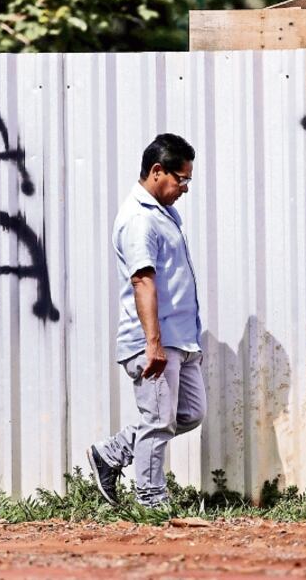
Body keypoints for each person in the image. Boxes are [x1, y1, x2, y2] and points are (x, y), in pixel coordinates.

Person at [86, 133, 206, 508]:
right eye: (181, 179)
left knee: (189, 412)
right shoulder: (139, 219)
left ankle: (113, 452)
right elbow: (143, 280)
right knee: (157, 421)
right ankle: (150, 497)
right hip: (154, 340)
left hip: (181, 337)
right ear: (157, 171)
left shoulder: (164, 213)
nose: (185, 188)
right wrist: (152, 343)